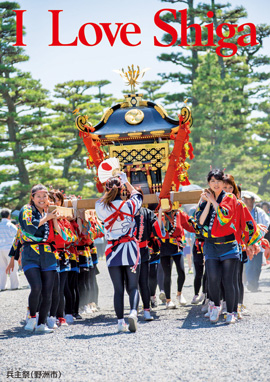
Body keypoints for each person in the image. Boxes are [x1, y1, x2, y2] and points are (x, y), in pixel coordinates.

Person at [6, 184, 64, 333]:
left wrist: (54, 219)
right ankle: (32, 317)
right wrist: (13, 257)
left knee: (48, 291)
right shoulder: (27, 210)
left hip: (48, 254)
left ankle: (41, 324)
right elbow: (28, 228)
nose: (42, 199)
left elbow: (62, 235)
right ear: (32, 197)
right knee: (36, 287)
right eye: (38, 196)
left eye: (44, 196)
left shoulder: (49, 211)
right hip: (30, 254)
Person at [95, 174, 142, 333]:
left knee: (118, 289)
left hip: (113, 252)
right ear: (122, 190)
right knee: (133, 286)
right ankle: (134, 312)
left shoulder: (101, 207)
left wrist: (109, 188)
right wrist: (126, 181)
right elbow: (137, 195)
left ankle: (120, 322)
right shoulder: (130, 205)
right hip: (130, 249)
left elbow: (100, 201)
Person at [196, 169, 239, 324]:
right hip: (211, 245)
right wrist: (207, 201)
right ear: (209, 183)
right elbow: (200, 222)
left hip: (228, 244)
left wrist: (214, 201)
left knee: (228, 281)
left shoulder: (229, 197)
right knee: (212, 279)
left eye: (218, 181)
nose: (216, 184)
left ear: (223, 182)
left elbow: (224, 218)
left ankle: (232, 311)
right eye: (212, 181)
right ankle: (215, 305)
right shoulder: (205, 198)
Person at [127, 187, 165, 321]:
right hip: (126, 251)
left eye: (137, 197)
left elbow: (158, 231)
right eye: (130, 197)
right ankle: (133, 309)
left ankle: (146, 310)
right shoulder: (123, 213)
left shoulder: (147, 213)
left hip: (142, 251)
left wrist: (159, 214)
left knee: (144, 282)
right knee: (130, 283)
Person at [243, 195, 270, 292]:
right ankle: (250, 283)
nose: (246, 201)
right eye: (245, 199)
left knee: (257, 265)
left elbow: (267, 222)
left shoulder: (259, 211)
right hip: (247, 241)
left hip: (258, 240)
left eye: (248, 199)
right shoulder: (242, 210)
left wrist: (258, 231)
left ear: (253, 200)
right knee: (249, 263)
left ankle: (255, 283)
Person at [0, 208, 19, 291]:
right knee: (13, 267)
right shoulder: (10, 225)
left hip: (0, 249)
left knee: (2, 268)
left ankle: (2, 286)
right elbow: (18, 236)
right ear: (9, 216)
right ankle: (14, 285)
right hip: (9, 248)